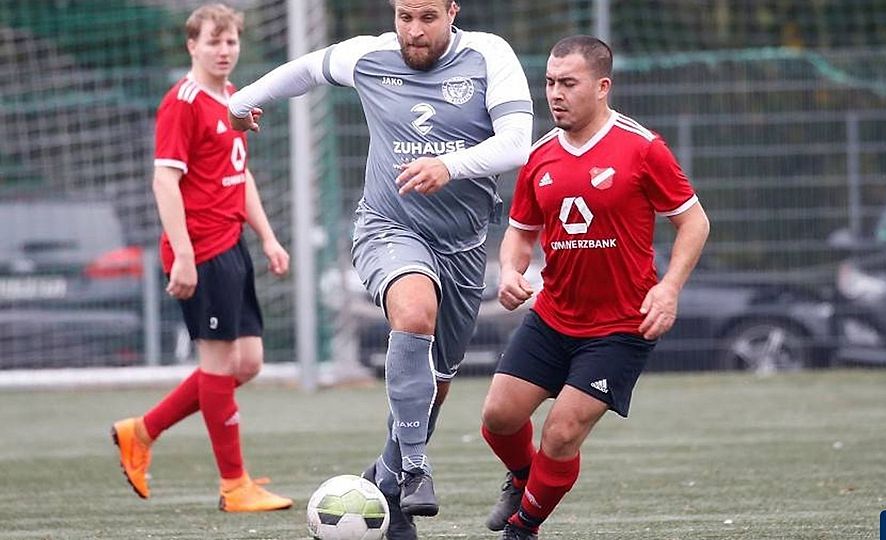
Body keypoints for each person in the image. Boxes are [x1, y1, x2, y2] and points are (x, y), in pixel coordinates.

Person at [228, 0, 532, 537]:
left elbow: (515, 145)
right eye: (404, 17)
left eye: (428, 18)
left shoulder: (489, 56)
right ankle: (414, 468)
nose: (414, 31)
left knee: (434, 384)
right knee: (413, 314)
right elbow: (306, 69)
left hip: (464, 246)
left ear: (452, 11)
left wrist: (449, 166)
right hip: (388, 227)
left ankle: (387, 486)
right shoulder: (369, 57)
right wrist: (241, 101)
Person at [479, 35, 711, 540]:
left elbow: (694, 222)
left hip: (621, 326)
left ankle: (523, 527)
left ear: (602, 87)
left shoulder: (642, 148)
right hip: (553, 316)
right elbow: (520, 231)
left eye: (568, 83)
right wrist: (511, 272)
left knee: (561, 432)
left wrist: (669, 288)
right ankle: (523, 478)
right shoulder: (539, 156)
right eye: (549, 83)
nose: (555, 94)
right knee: (498, 416)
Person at [111, 3, 293, 513]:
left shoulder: (234, 97)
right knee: (216, 365)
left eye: (231, 41)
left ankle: (141, 431)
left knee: (247, 363)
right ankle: (234, 485)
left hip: (232, 245)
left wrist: (268, 237)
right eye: (213, 41)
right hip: (203, 250)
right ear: (192, 45)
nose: (224, 50)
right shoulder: (182, 103)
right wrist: (184, 257)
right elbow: (164, 181)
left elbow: (238, 173)